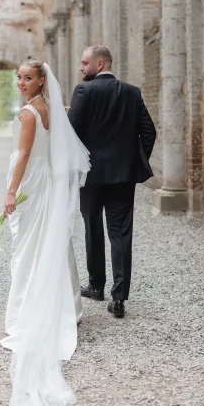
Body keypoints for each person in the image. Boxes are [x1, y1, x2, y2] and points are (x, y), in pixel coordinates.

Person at [1, 60, 90, 406]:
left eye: (28, 78)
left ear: (41, 81)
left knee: (29, 248)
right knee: (53, 242)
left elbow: (24, 154)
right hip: (49, 181)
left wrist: (10, 191)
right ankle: (71, 305)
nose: (21, 82)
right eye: (19, 77)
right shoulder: (51, 107)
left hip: (34, 184)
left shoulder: (28, 113)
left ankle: (24, 314)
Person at [68, 45, 156, 318]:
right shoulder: (132, 92)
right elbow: (149, 132)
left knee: (92, 228)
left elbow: (70, 134)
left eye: (85, 63)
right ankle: (119, 298)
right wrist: (131, 161)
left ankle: (96, 286)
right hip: (122, 177)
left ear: (101, 63)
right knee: (120, 233)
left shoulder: (83, 91)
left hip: (90, 175)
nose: (81, 67)